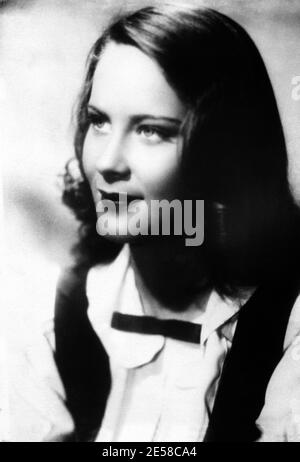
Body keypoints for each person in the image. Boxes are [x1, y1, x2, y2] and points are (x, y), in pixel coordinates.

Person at [9, 3, 300, 442]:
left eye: (152, 131)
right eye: (98, 122)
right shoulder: (52, 319)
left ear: (225, 151)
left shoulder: (288, 326)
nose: (107, 163)